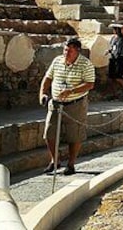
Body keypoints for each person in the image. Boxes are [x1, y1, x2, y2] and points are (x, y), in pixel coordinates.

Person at [39, 37, 96, 176]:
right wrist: (42, 93)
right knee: (49, 133)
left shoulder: (85, 64)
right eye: (65, 49)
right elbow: (48, 78)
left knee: (74, 136)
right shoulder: (57, 60)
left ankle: (71, 164)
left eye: (69, 51)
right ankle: (55, 160)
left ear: (77, 51)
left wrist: (71, 91)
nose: (66, 53)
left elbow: (90, 84)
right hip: (56, 103)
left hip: (75, 104)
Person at [105, 23, 123, 100]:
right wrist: (109, 51)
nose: (114, 30)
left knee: (118, 77)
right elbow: (113, 48)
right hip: (113, 58)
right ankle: (114, 94)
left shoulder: (122, 38)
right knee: (111, 78)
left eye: (115, 29)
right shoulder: (113, 38)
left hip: (120, 60)